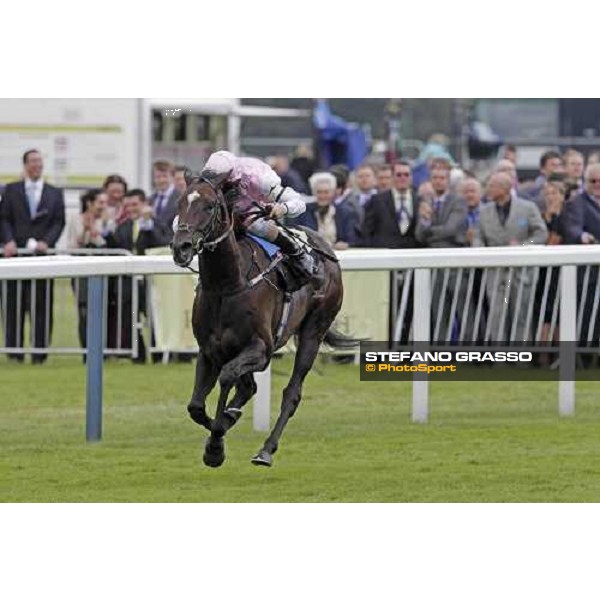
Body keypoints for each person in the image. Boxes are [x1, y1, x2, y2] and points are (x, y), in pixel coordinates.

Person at [199, 151, 320, 287]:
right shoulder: (207, 181)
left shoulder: (259, 177)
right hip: (224, 216)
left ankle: (300, 257)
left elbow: (299, 203)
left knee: (257, 227)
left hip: (251, 212)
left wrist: (282, 208)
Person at [0, 149, 66, 363]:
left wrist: (47, 242)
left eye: (40, 161)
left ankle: (40, 352)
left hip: (42, 257)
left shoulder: (54, 193)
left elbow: (58, 221)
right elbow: (4, 219)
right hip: (15, 257)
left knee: (42, 306)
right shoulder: (10, 190)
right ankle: (14, 351)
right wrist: (8, 240)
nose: (37, 165)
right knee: (13, 306)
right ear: (25, 165)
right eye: (33, 161)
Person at [474, 173, 548, 343]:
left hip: (521, 271)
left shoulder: (528, 208)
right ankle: (500, 357)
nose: (488, 190)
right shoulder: (484, 212)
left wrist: (522, 245)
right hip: (495, 270)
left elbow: (541, 233)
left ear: (505, 188)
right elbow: (477, 236)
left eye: (492, 186)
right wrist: (480, 251)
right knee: (496, 314)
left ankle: (522, 356)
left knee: (521, 314)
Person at [104, 189, 167, 363]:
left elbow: (163, 244)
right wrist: (108, 232)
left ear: (144, 204)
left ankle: (157, 355)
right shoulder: (123, 226)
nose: (131, 209)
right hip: (128, 282)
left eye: (135, 205)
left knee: (153, 318)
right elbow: (114, 250)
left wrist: (148, 225)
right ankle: (138, 354)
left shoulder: (156, 223)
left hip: (151, 280)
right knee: (131, 319)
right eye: (128, 205)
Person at [415, 165, 468, 342]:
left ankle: (474, 351)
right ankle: (441, 351)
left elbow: (451, 229)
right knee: (438, 310)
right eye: (435, 177)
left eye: (442, 178)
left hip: (454, 263)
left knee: (464, 310)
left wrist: (429, 229)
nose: (438, 181)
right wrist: (424, 219)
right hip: (433, 264)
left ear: (448, 180)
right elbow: (419, 235)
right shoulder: (425, 202)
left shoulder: (458, 201)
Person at [562, 163, 600, 353]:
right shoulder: (576, 202)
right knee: (587, 314)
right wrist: (582, 236)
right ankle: (584, 356)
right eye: (593, 181)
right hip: (589, 271)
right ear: (585, 182)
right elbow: (572, 227)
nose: (597, 184)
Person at [65, 189, 109, 351]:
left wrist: (96, 230)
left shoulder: (106, 220)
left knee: (102, 311)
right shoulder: (75, 219)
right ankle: (86, 349)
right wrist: (86, 229)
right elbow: (72, 245)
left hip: (102, 269)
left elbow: (105, 243)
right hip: (81, 272)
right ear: (90, 203)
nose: (103, 206)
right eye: (100, 202)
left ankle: (103, 348)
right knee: (84, 311)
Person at [362, 160, 420, 249]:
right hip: (385, 256)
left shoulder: (419, 200)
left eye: (406, 174)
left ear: (411, 177)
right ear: (392, 177)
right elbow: (367, 231)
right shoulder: (377, 201)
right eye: (399, 175)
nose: (403, 178)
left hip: (413, 255)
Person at [297, 172, 358, 249]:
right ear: (314, 193)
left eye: (326, 192)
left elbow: (352, 239)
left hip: (338, 255)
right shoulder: (304, 212)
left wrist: (345, 244)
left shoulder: (345, 212)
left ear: (332, 193)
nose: (323, 196)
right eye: (319, 192)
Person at [149, 160, 179, 242]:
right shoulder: (150, 200)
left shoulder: (181, 198)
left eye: (165, 176)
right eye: (158, 177)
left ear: (172, 177)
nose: (161, 180)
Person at [346, 163, 377, 238]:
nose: (364, 179)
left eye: (367, 176)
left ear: (374, 178)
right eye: (360, 176)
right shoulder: (348, 200)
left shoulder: (383, 199)